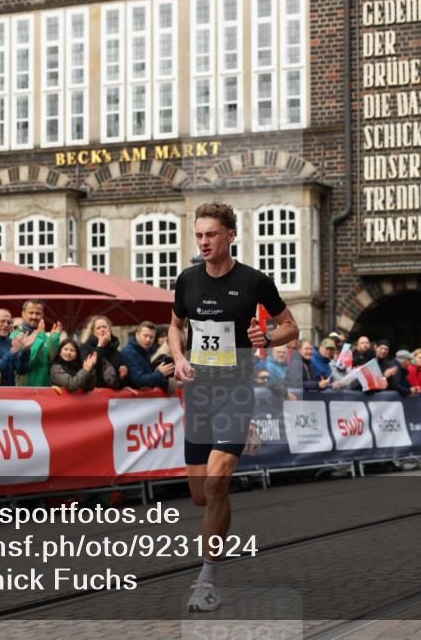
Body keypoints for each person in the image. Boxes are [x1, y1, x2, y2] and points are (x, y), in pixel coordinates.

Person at [168, 202, 298, 613]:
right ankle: (246, 433)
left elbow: (291, 326)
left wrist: (268, 338)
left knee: (216, 485)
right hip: (199, 394)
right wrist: (180, 357)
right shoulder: (187, 280)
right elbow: (175, 326)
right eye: (199, 235)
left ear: (230, 236)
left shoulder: (254, 282)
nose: (204, 242)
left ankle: (207, 579)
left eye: (211, 234)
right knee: (199, 496)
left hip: (236, 392)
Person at [0, 308, 35, 386]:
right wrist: (12, 353)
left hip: (9, 391)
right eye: (2, 321)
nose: (6, 325)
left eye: (9, 322)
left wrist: (26, 351)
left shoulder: (11, 341)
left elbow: (22, 371)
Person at [16, 300, 64, 387]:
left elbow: (53, 362)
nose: (34, 316)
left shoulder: (46, 337)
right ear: (23, 314)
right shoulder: (15, 336)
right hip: (24, 390)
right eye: (31, 313)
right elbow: (29, 362)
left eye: (38, 313)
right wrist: (40, 337)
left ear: (42, 315)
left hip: (44, 390)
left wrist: (54, 340)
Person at [122, 321, 174, 391]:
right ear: (137, 335)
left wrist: (157, 372)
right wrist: (160, 373)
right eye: (145, 336)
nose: (148, 339)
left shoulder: (146, 351)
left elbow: (147, 377)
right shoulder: (129, 353)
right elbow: (139, 381)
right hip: (136, 397)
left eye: (151, 337)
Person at [80, 315, 129, 389]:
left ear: (109, 330)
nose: (102, 330)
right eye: (98, 328)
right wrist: (100, 346)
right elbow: (90, 368)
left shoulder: (115, 352)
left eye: (104, 327)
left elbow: (120, 384)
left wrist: (122, 377)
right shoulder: (85, 348)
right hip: (93, 394)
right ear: (93, 332)